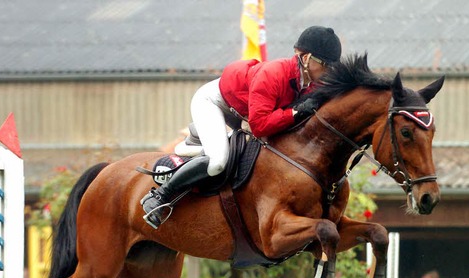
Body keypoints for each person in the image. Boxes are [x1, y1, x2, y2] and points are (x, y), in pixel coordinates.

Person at [141, 26, 343, 229]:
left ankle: (198, 143)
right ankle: (159, 197)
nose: (328, 72)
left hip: (241, 110)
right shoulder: (274, 74)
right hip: (214, 102)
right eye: (325, 65)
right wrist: (295, 113)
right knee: (218, 162)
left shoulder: (310, 83)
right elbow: (259, 126)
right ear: (306, 58)